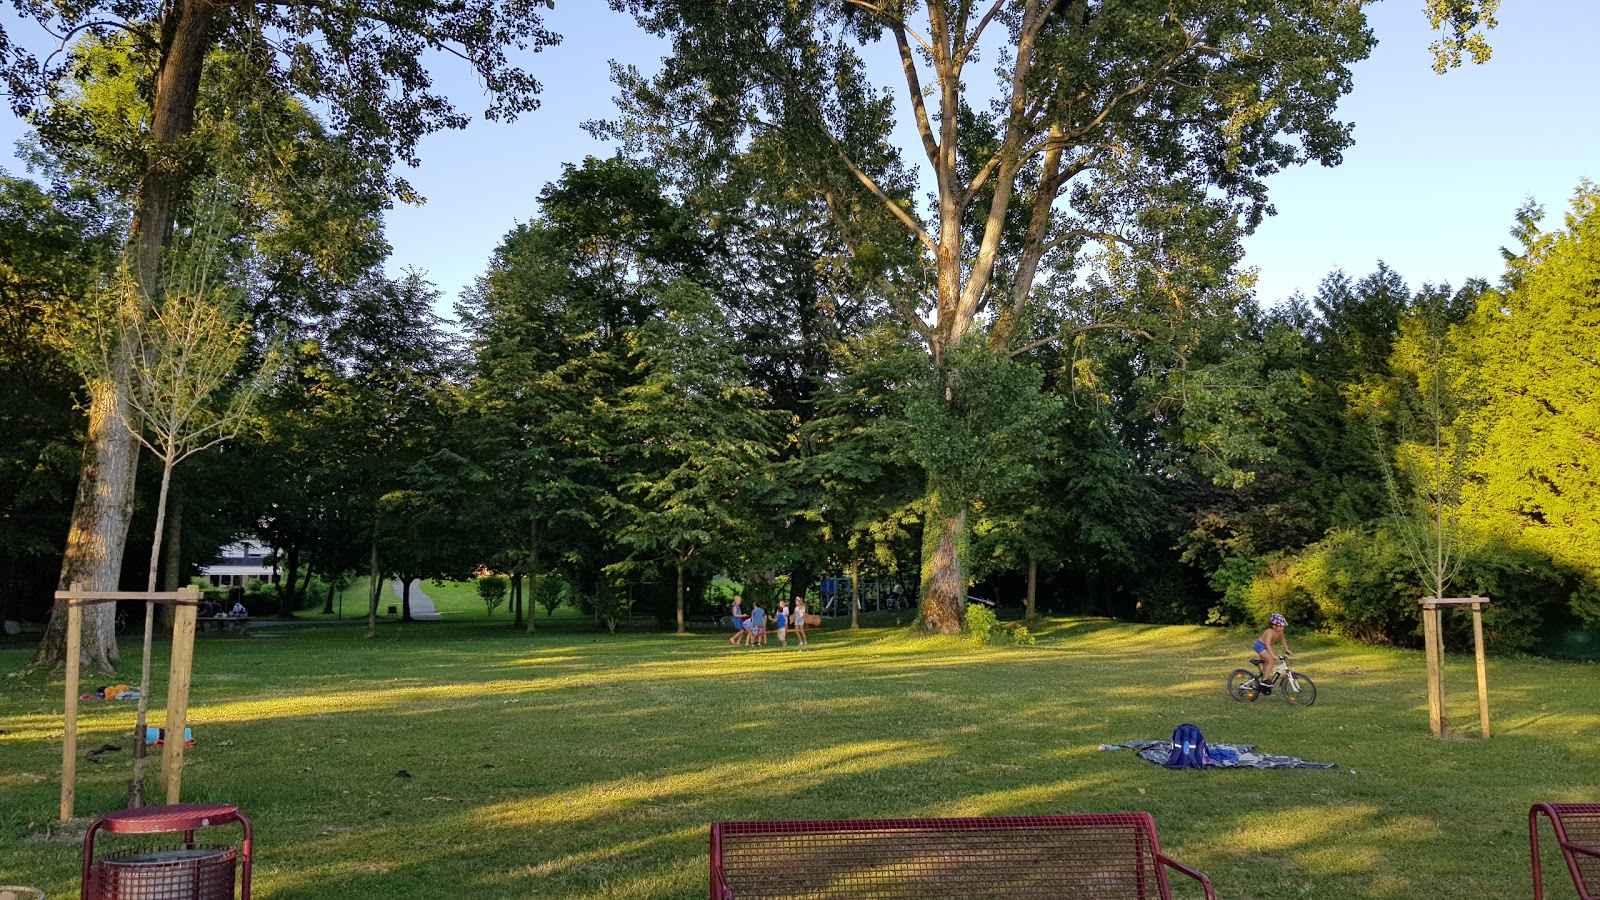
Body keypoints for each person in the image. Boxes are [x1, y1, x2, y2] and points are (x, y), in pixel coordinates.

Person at [1255, 613, 1292, 691]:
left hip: (1266, 647)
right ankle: (1265, 680)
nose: (1283, 627)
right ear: (1274, 626)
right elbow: (1267, 645)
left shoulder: (1280, 631)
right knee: (1271, 660)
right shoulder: (1269, 631)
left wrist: (1286, 649)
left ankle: (1263, 679)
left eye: (1283, 626)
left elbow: (1283, 639)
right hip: (1260, 646)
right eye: (1281, 626)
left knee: (1266, 668)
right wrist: (1273, 655)